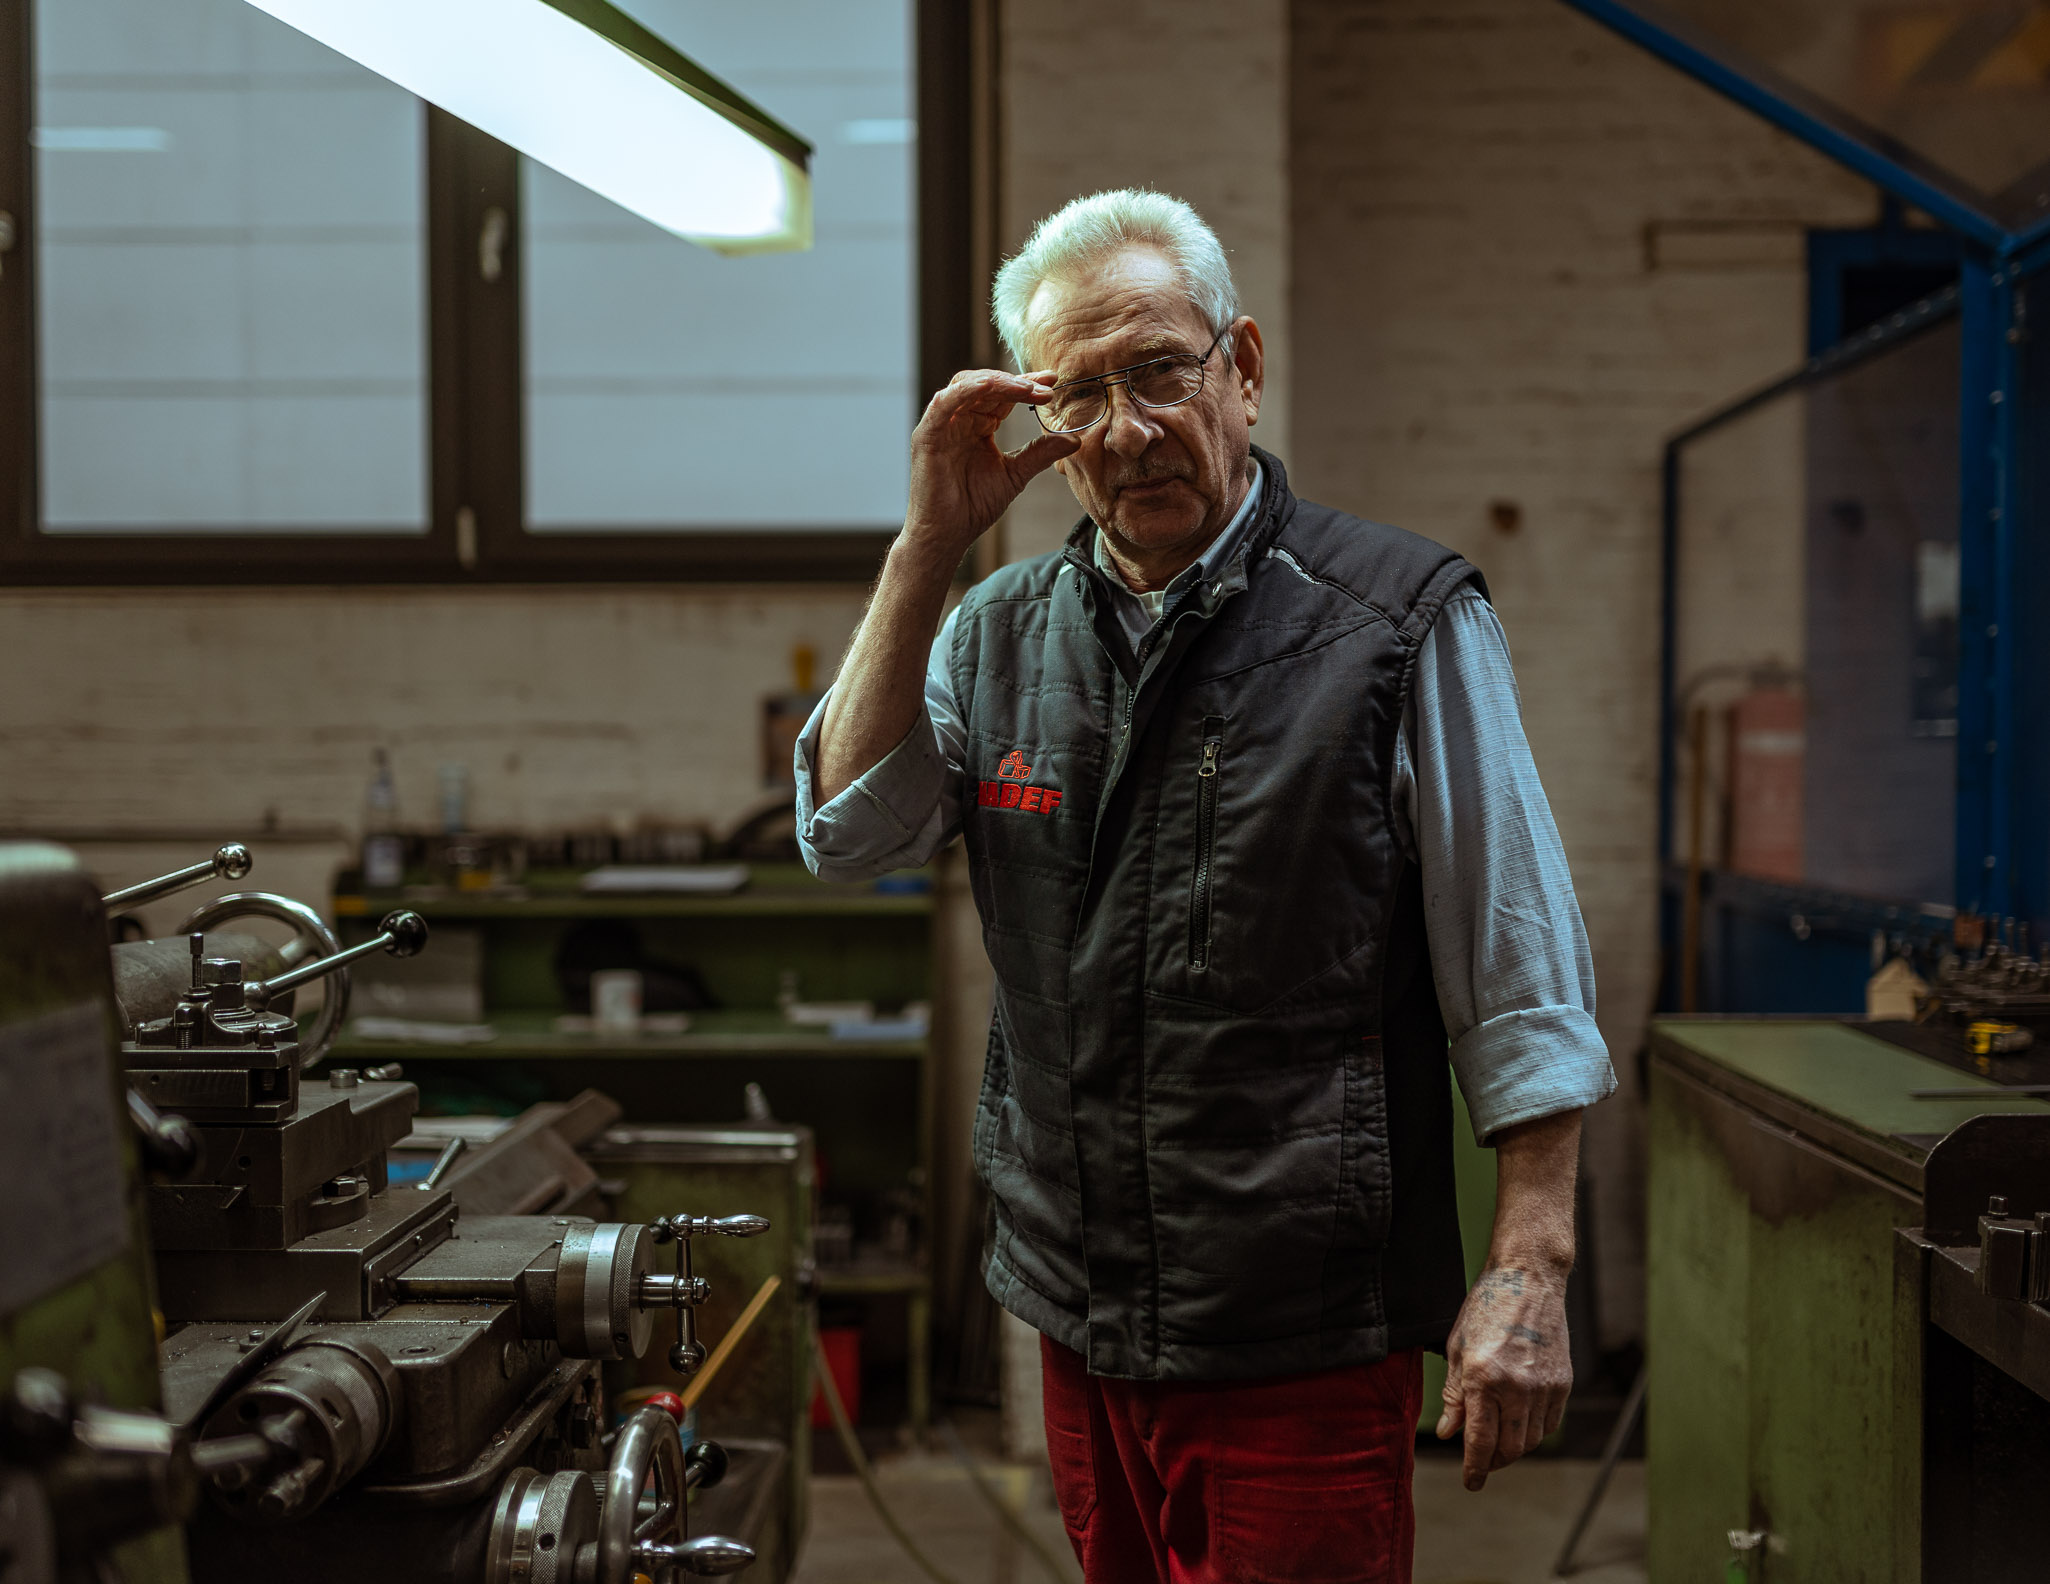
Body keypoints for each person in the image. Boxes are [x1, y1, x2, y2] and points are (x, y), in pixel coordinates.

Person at [795, 188, 1614, 1584]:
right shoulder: (994, 631)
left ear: (1239, 366)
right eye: (1080, 397)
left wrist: (1527, 1269)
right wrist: (928, 539)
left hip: (1296, 1320)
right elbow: (848, 831)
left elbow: (1518, 969)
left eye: (1161, 371)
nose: (1126, 430)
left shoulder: (1392, 620)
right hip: (1075, 1305)